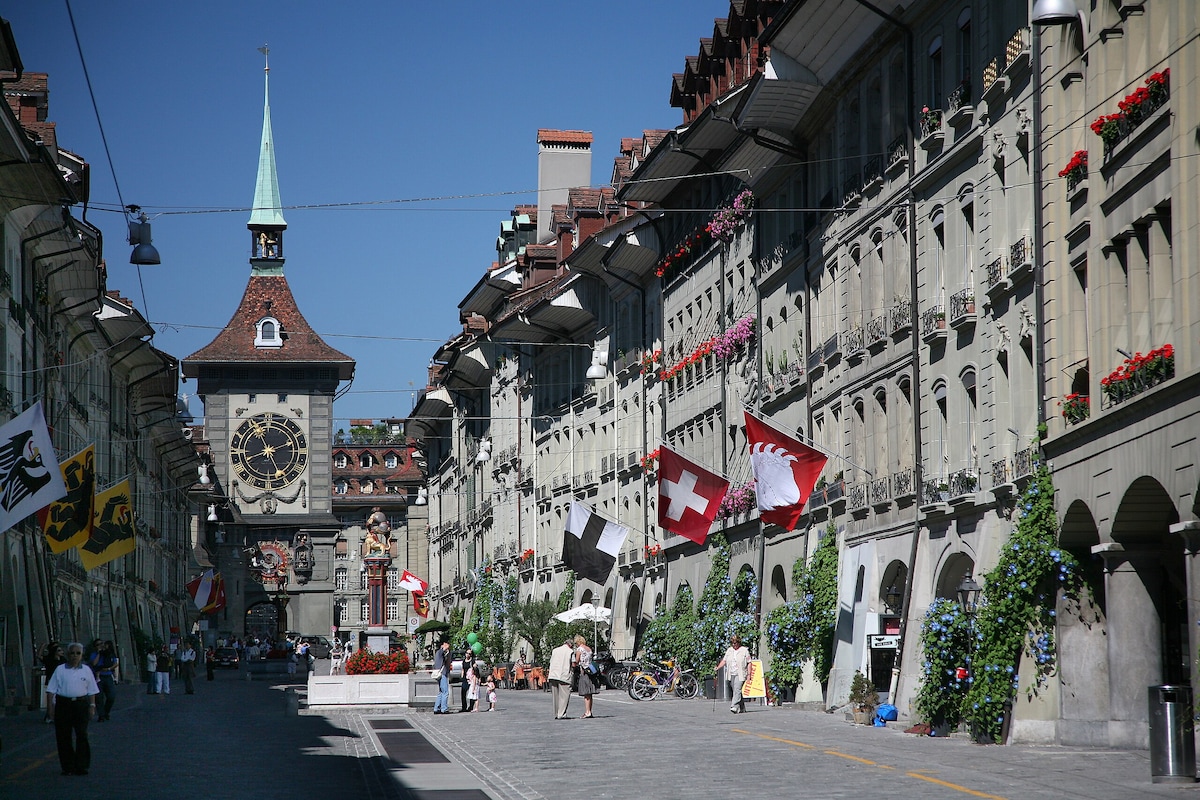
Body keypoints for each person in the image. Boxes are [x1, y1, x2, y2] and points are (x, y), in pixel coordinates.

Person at [45, 642, 99, 776]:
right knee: (63, 737)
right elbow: (51, 690)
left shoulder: (86, 670)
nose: (75, 656)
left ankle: (82, 766)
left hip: (80, 705)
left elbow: (91, 690)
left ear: (82, 655)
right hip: (63, 705)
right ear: (68, 654)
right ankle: (68, 767)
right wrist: (50, 709)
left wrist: (92, 706)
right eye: (72, 653)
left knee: (82, 735)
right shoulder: (60, 669)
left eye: (78, 653)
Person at [715, 634, 751, 714]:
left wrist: (749, 675)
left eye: (735, 643)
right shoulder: (729, 650)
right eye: (732, 643)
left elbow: (749, 663)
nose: (734, 645)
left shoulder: (744, 650)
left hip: (741, 673)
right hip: (731, 673)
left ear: (738, 642)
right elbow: (724, 660)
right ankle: (742, 708)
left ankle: (734, 706)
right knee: (736, 690)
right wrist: (718, 667)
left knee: (737, 689)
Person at [88, 641, 119, 721]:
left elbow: (115, 663)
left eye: (102, 644)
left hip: (108, 676)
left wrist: (109, 669)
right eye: (98, 645)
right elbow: (94, 663)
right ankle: (101, 715)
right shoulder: (94, 654)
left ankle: (106, 712)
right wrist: (98, 653)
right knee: (99, 697)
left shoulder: (108, 653)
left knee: (111, 696)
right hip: (99, 677)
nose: (101, 646)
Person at [548, 636, 575, 719]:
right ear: (570, 645)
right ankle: (561, 714)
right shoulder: (570, 651)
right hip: (564, 675)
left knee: (555, 696)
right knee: (564, 696)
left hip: (553, 674)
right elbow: (573, 664)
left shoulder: (555, 650)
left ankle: (556, 713)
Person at [40, 642, 66, 723]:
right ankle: (50, 715)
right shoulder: (49, 660)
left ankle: (55, 715)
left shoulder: (63, 660)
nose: (61, 652)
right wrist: (42, 646)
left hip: (61, 682)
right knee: (51, 700)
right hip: (51, 681)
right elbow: (39, 656)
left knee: (59, 700)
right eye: (59, 650)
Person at [573, 635, 596, 719]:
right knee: (590, 693)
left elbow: (577, 661)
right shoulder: (589, 649)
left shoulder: (580, 649)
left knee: (586, 693)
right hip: (591, 671)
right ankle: (590, 710)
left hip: (584, 672)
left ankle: (587, 712)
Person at [432, 639, 451, 714]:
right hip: (442, 673)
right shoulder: (440, 652)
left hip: (439, 673)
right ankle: (444, 708)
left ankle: (437, 708)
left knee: (441, 692)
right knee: (445, 692)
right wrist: (446, 647)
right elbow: (444, 649)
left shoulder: (439, 654)